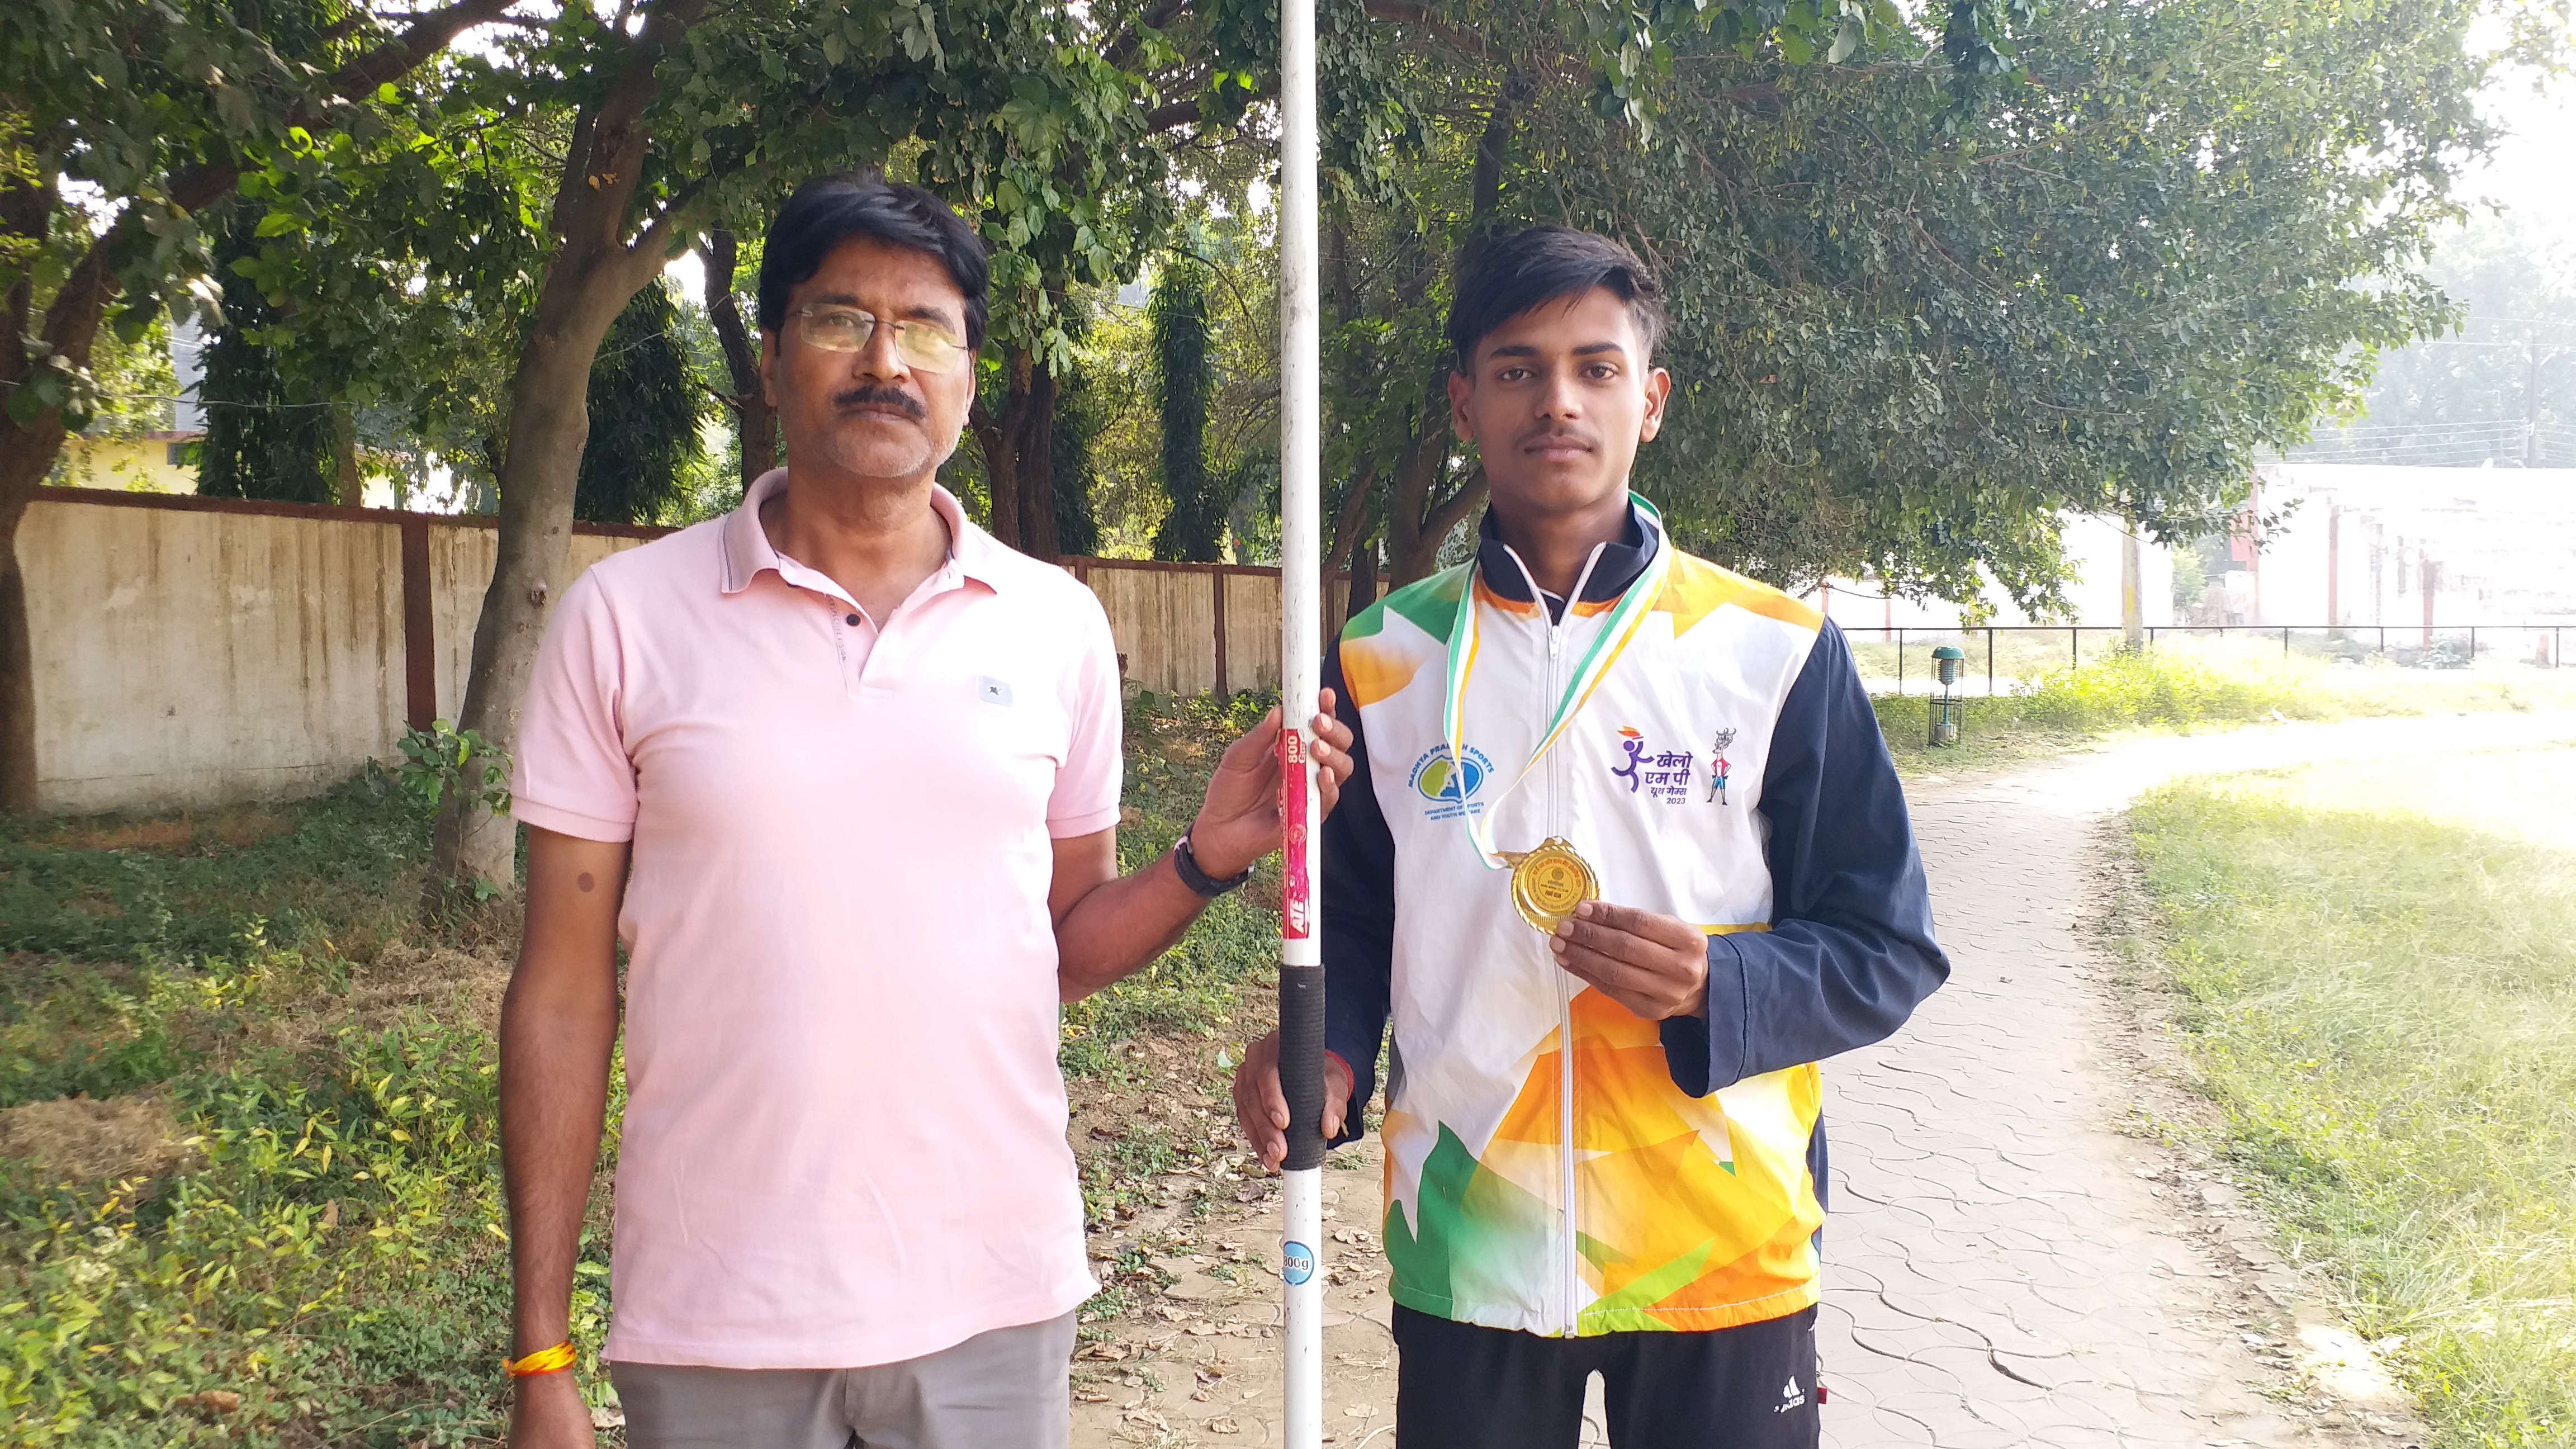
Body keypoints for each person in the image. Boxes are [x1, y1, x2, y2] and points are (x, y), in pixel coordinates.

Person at [499, 172, 1355, 1449]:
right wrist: (540, 1353)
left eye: (926, 328)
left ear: (967, 377)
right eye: (842, 318)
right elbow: (563, 989)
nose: (885, 360)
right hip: (718, 1315)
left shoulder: (1057, 625)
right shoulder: (624, 621)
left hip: (990, 1305)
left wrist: (1206, 859)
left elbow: (1060, 944)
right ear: (776, 353)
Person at [1231, 226, 1948, 1448]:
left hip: (1717, 1247)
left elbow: (1890, 948)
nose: (1556, 400)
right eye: (1516, 369)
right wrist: (1331, 1055)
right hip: (1470, 1242)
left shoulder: (1776, 651)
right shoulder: (1376, 659)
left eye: (1595, 367)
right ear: (1466, 402)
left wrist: (1724, 979)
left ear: (1651, 400)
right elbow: (1353, 917)